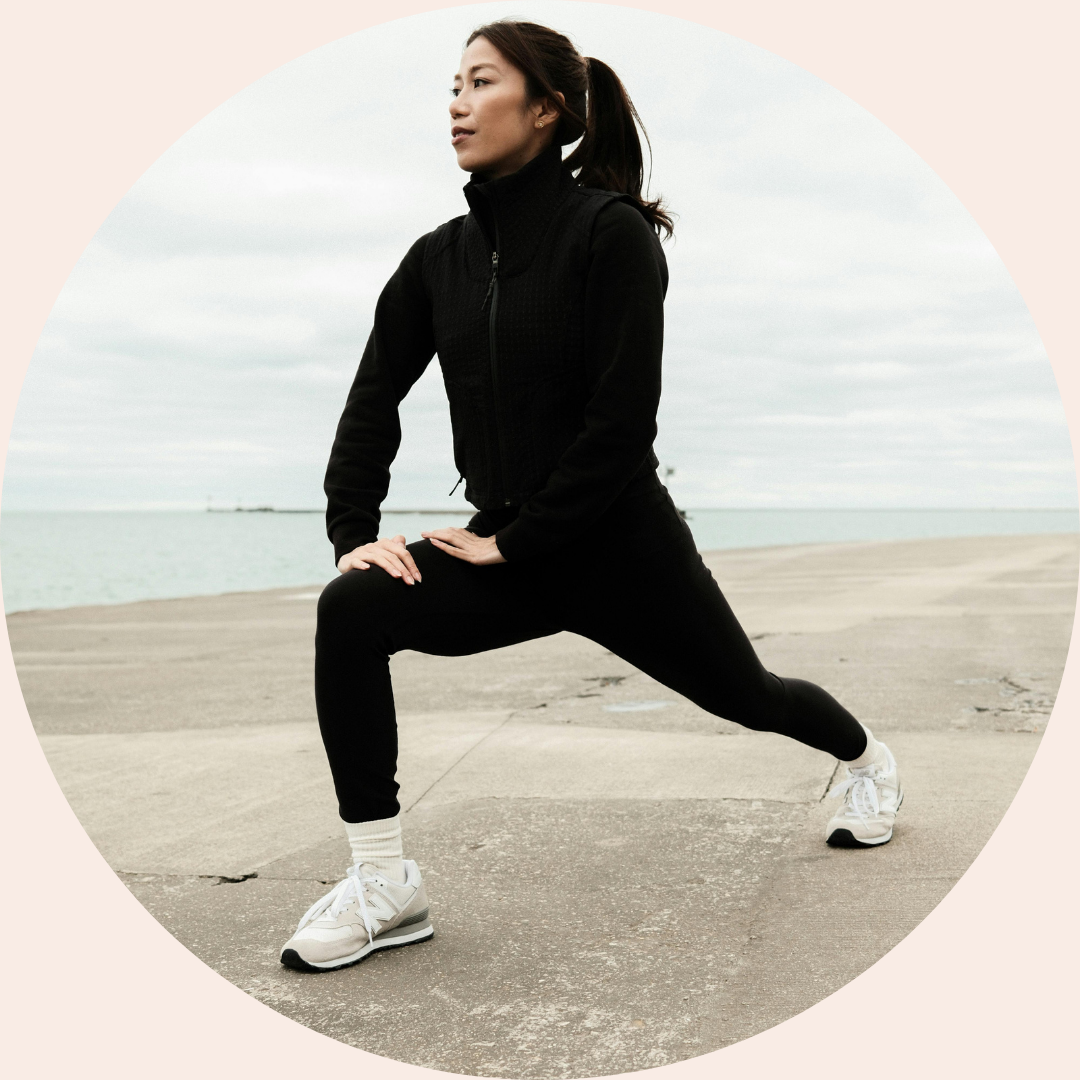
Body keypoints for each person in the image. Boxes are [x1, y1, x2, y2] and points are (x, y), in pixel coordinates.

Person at [279, 18, 903, 974]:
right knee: (353, 609)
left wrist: (518, 541)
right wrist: (352, 532)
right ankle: (384, 882)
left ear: (546, 109)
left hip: (620, 548)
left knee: (750, 695)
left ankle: (865, 762)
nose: (456, 104)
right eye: (453, 85)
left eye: (481, 82)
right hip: (509, 548)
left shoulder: (611, 235)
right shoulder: (436, 260)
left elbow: (621, 424)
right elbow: (373, 398)